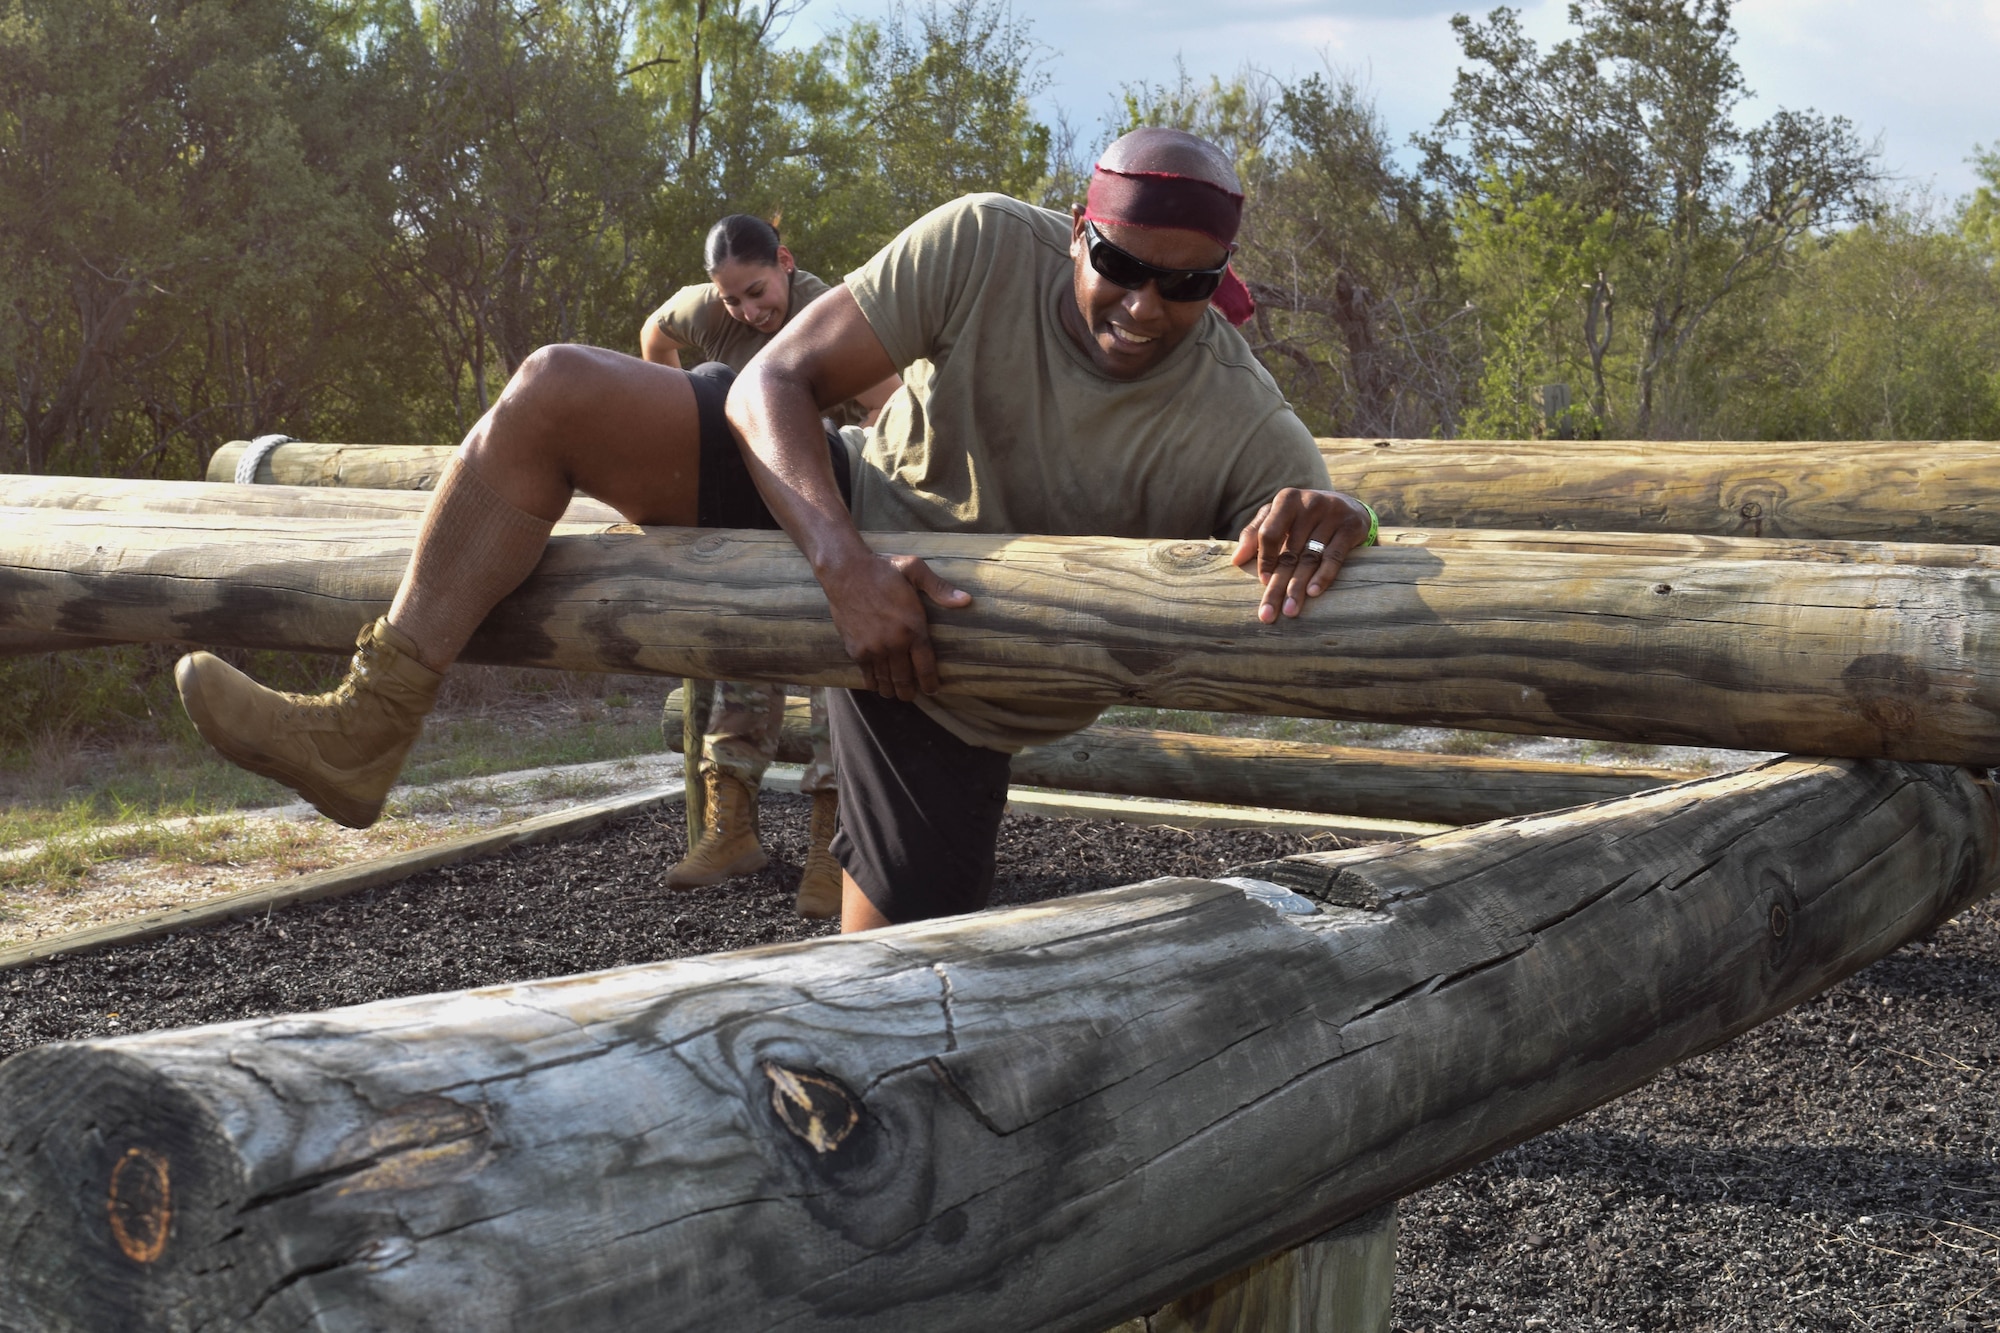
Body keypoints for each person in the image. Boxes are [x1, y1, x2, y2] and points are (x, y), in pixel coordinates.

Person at [172, 126, 1375, 936]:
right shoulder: (981, 243)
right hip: (839, 517)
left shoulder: (1233, 407)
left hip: (956, 680)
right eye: (1119, 264)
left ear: (1218, 278)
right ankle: (368, 727)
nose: (1140, 304)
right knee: (551, 390)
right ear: (1077, 228)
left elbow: (1320, 514)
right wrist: (841, 566)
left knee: (894, 1012)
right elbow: (766, 385)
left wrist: (1331, 514)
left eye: (1184, 284)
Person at [638, 215, 897, 919]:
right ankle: (732, 831)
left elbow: (894, 404)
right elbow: (654, 338)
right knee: (737, 646)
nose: (750, 312)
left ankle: (828, 845)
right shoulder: (706, 308)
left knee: (829, 671)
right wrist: (688, 422)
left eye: (758, 292)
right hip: (749, 507)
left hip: (829, 511)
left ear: (785, 263)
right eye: (733, 301)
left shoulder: (830, 314)